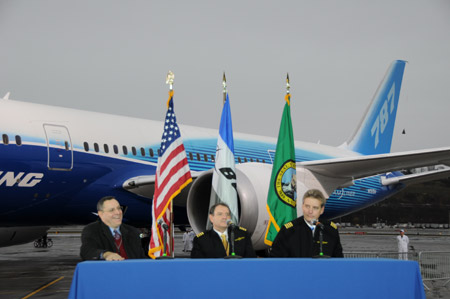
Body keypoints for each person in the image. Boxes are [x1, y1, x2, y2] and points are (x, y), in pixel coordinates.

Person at [270, 189, 343, 258]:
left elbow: (339, 261)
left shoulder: (330, 230)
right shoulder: (289, 231)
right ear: (302, 206)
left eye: (315, 208)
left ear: (322, 210)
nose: (310, 211)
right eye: (307, 206)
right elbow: (275, 259)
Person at [80, 196, 147, 260]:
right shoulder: (92, 230)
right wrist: (106, 254)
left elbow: (141, 258)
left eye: (119, 208)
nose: (118, 212)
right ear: (101, 214)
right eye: (112, 210)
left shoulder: (133, 231)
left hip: (131, 270)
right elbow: (87, 251)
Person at [191, 203, 256, 258]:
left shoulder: (243, 234)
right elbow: (197, 266)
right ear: (211, 218)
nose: (225, 217)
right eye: (220, 214)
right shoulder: (201, 240)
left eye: (227, 214)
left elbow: (251, 260)